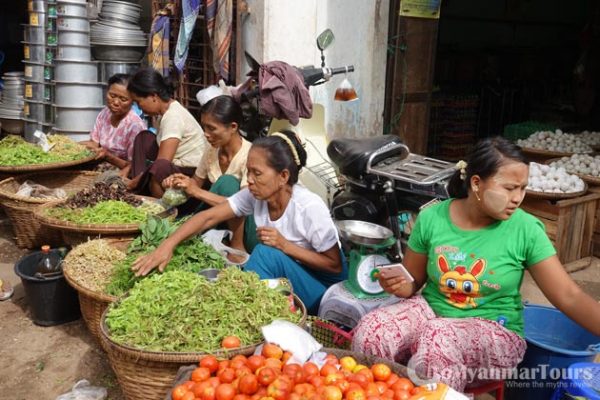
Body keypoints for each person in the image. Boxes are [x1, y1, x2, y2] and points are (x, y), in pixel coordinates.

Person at [351, 137, 600, 392]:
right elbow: (412, 283)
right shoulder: (432, 218)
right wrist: (397, 284)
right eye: (509, 188)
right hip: (431, 313)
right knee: (373, 331)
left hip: (496, 331)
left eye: (522, 188)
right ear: (476, 183)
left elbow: (569, 296)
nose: (517, 198)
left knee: (438, 341)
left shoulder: (525, 230)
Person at [132, 130, 348, 313]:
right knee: (264, 256)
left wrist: (285, 245)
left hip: (324, 292)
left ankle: (239, 308)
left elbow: (334, 265)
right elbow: (208, 216)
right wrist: (167, 246)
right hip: (291, 276)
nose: (250, 180)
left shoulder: (309, 207)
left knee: (265, 255)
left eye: (257, 173)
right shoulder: (256, 195)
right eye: (248, 171)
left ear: (283, 176)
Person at [162, 95, 255, 253]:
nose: (205, 134)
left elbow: (243, 205)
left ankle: (237, 247)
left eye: (211, 128)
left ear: (233, 127)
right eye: (204, 127)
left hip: (246, 226)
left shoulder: (251, 155)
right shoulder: (212, 150)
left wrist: (197, 191)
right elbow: (195, 184)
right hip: (219, 218)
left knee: (227, 182)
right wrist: (179, 184)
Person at [126, 67, 207, 198]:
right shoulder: (162, 113)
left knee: (159, 166)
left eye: (138, 102)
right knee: (144, 138)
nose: (139, 107)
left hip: (191, 172)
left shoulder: (173, 117)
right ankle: (139, 190)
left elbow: (163, 161)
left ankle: (161, 208)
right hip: (177, 164)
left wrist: (135, 181)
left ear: (153, 96)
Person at [81, 73, 146, 175]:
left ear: (132, 100)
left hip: (120, 172)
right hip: (99, 163)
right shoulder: (104, 113)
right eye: (112, 96)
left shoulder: (135, 126)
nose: (115, 102)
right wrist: (69, 145)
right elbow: (94, 143)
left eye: (123, 99)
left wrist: (108, 156)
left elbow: (133, 166)